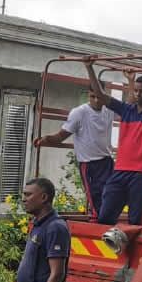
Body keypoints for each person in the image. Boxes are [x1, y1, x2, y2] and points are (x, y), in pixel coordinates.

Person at [33, 65, 115, 219]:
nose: (96, 100)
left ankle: (107, 222)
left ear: (105, 95)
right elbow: (61, 136)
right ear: (88, 95)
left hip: (107, 161)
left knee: (112, 197)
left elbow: (130, 106)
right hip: (89, 164)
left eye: (99, 96)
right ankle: (99, 223)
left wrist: (131, 81)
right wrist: (45, 139)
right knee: (96, 200)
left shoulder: (109, 110)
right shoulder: (80, 112)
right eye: (93, 96)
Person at [88, 64, 142, 226]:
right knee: (105, 216)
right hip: (120, 170)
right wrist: (89, 67)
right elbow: (100, 94)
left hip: (141, 173)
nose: (138, 94)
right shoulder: (126, 110)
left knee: (136, 220)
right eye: (136, 91)